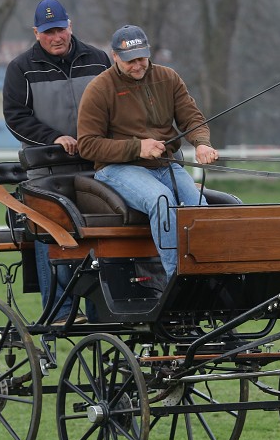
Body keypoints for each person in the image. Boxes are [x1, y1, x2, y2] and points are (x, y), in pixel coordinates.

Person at [77, 25, 219, 280]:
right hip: (116, 169)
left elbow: (191, 119)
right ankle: (177, 278)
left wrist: (201, 143)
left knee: (198, 206)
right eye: (130, 60)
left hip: (165, 165)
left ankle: (209, 274)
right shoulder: (99, 89)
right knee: (161, 200)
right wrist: (138, 147)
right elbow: (87, 145)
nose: (137, 65)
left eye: (142, 58)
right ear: (115, 56)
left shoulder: (169, 78)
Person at [2, 0, 111, 324]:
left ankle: (99, 312)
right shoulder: (20, 69)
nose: (56, 37)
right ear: (37, 33)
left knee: (102, 237)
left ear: (70, 27)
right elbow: (15, 117)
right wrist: (54, 139)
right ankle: (60, 311)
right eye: (48, 32)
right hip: (45, 170)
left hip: (96, 166)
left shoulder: (98, 60)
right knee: (49, 231)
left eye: (60, 29)